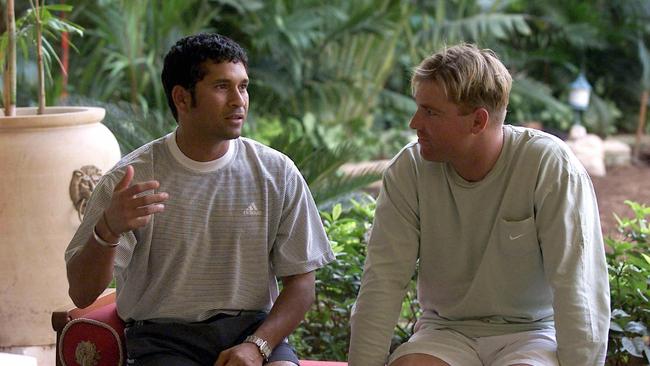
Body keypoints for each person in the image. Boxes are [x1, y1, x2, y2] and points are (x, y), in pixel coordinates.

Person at [65, 33, 335, 366]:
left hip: (253, 330)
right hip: (163, 340)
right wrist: (107, 229)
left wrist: (257, 346)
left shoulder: (276, 172)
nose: (239, 101)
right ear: (182, 98)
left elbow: (302, 284)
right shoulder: (130, 180)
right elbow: (81, 293)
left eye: (243, 86)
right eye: (222, 87)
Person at [348, 43, 610, 366]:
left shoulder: (548, 165)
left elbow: (579, 288)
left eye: (430, 112)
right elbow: (382, 283)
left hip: (533, 334)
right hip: (443, 332)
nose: (414, 122)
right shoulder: (409, 170)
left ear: (477, 121)